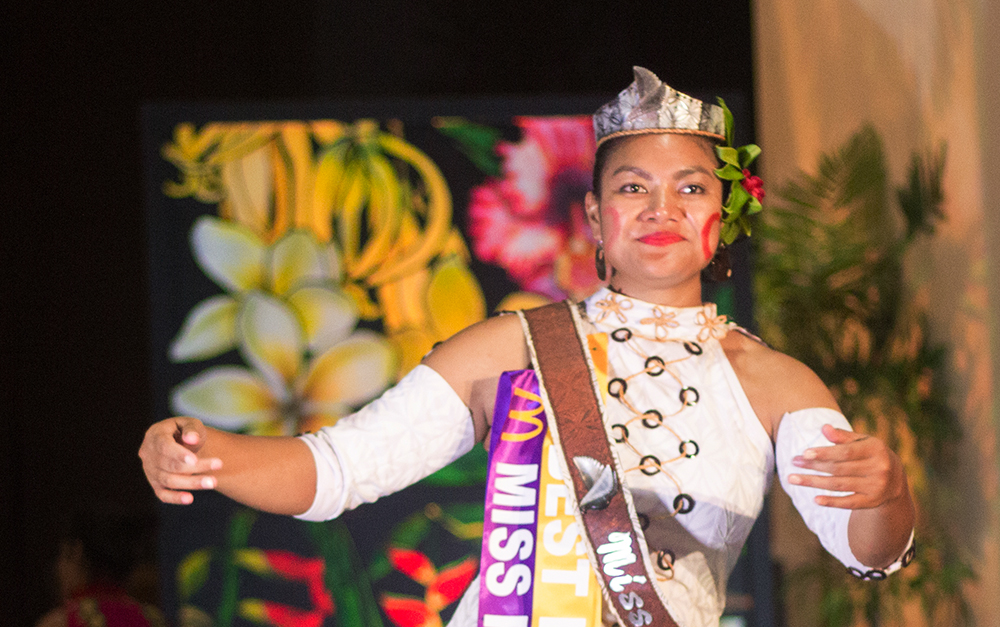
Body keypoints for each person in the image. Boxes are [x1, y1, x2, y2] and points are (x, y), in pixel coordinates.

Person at [140, 67, 915, 627]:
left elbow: (867, 550)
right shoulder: (515, 346)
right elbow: (338, 469)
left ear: (726, 213)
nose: (660, 208)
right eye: (631, 186)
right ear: (593, 214)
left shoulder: (773, 380)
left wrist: (885, 490)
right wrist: (204, 451)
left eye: (691, 187)